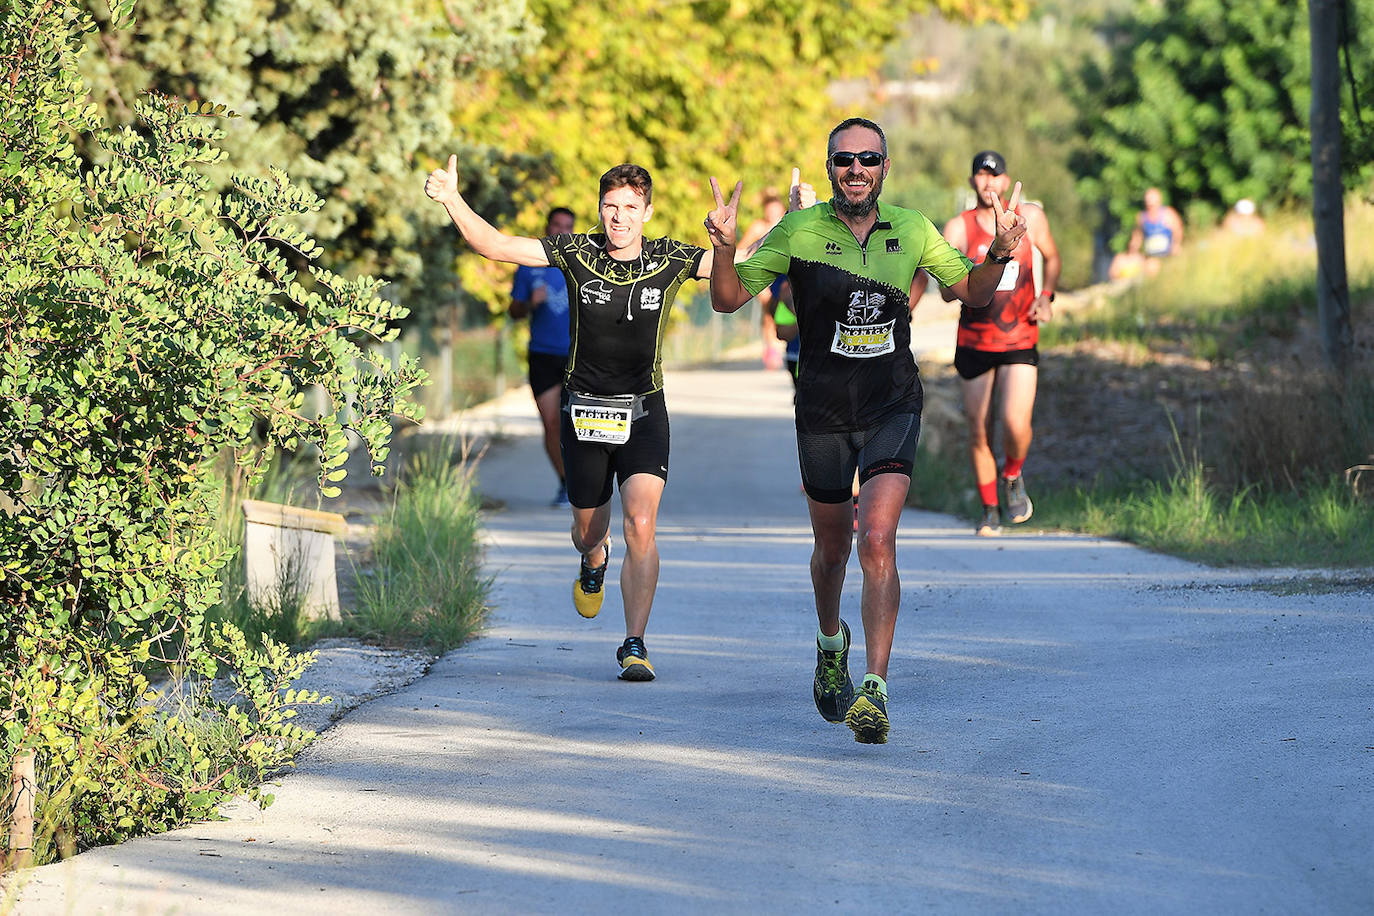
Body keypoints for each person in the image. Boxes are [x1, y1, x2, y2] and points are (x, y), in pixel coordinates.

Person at [705, 118, 1027, 744]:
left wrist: (999, 252)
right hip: (822, 411)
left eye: (869, 158)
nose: (857, 168)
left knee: (876, 538)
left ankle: (875, 690)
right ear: (829, 167)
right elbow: (726, 299)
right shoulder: (799, 230)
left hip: (892, 405)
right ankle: (832, 644)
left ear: (886, 166)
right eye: (844, 158)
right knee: (833, 552)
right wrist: (723, 245)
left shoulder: (912, 228)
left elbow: (973, 293)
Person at [426, 156, 716, 682]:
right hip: (584, 414)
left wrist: (794, 220)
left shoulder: (672, 258)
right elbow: (498, 246)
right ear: (599, 209)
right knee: (588, 531)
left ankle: (634, 643)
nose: (619, 217)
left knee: (642, 525)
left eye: (630, 207)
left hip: (645, 412)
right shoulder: (576, 252)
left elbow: (748, 267)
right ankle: (593, 559)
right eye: (610, 206)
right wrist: (452, 200)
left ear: (648, 211)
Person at [940, 151, 1061, 537]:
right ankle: (989, 510)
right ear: (972, 181)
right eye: (980, 175)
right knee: (978, 428)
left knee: (1014, 421)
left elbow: (1053, 257)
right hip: (975, 340)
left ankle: (1012, 474)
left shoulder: (1031, 218)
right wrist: (961, 276)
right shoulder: (958, 228)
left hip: (1019, 335)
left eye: (995, 176)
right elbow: (944, 291)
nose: (988, 182)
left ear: (1007, 181)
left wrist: (1047, 296)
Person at [509, 206, 576, 508]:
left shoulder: (580, 263)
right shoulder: (529, 265)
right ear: (548, 227)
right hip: (543, 356)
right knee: (551, 424)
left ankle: (585, 482)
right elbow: (514, 311)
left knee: (579, 424)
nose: (561, 231)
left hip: (579, 355)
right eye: (557, 225)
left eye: (567, 227)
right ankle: (565, 484)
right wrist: (530, 305)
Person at [1126, 187, 1184, 276]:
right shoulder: (1142, 218)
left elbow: (1178, 230)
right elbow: (1137, 237)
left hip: (1168, 253)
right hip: (1151, 256)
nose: (1150, 205)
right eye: (1148, 202)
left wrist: (1176, 245)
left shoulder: (1168, 214)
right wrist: (1132, 253)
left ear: (1159, 201)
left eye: (1153, 203)